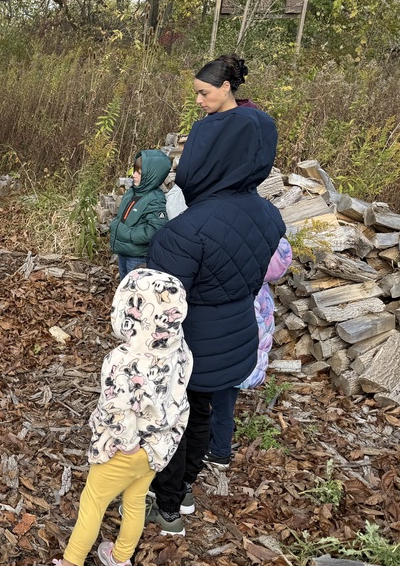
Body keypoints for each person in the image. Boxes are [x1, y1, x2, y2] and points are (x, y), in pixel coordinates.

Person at [142, 54, 286, 534]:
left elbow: (158, 310)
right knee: (202, 411)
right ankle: (182, 494)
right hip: (235, 336)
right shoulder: (269, 216)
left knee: (174, 422)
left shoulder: (185, 231)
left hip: (188, 346)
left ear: (209, 157)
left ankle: (166, 504)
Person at [53, 268, 192, 566]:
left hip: (124, 449)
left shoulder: (123, 359)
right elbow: (179, 394)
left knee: (93, 503)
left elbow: (116, 408)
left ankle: (71, 562)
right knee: (135, 502)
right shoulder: (180, 348)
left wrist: (127, 442)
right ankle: (121, 557)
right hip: (158, 446)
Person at [206, 237, 292, 467]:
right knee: (223, 405)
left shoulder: (248, 294)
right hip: (242, 362)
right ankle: (215, 444)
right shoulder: (263, 290)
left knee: (220, 407)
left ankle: (219, 452)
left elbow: (241, 330)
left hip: (231, 361)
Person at [108, 150, 170, 279]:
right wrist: (116, 225)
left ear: (152, 176)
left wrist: (128, 234)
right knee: (124, 285)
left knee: (135, 290)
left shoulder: (155, 199)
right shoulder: (133, 192)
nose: (134, 175)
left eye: (139, 173)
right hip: (124, 251)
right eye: (134, 171)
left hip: (137, 257)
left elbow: (155, 229)